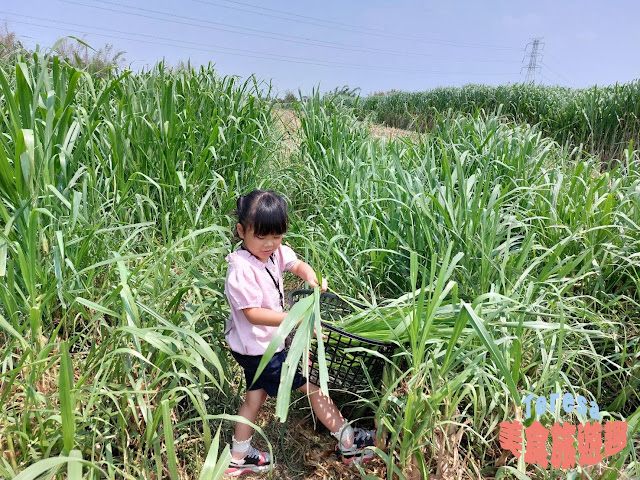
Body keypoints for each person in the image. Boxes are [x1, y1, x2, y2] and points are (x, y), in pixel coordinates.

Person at [223, 189, 376, 476]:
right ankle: (349, 442)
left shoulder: (272, 252)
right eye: (261, 236)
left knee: (254, 397)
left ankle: (239, 456)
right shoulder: (241, 269)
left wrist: (310, 275)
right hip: (262, 350)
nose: (270, 244)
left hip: (254, 347)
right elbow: (252, 313)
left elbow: (295, 263)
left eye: (277, 236)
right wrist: (295, 318)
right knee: (313, 385)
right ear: (241, 231)